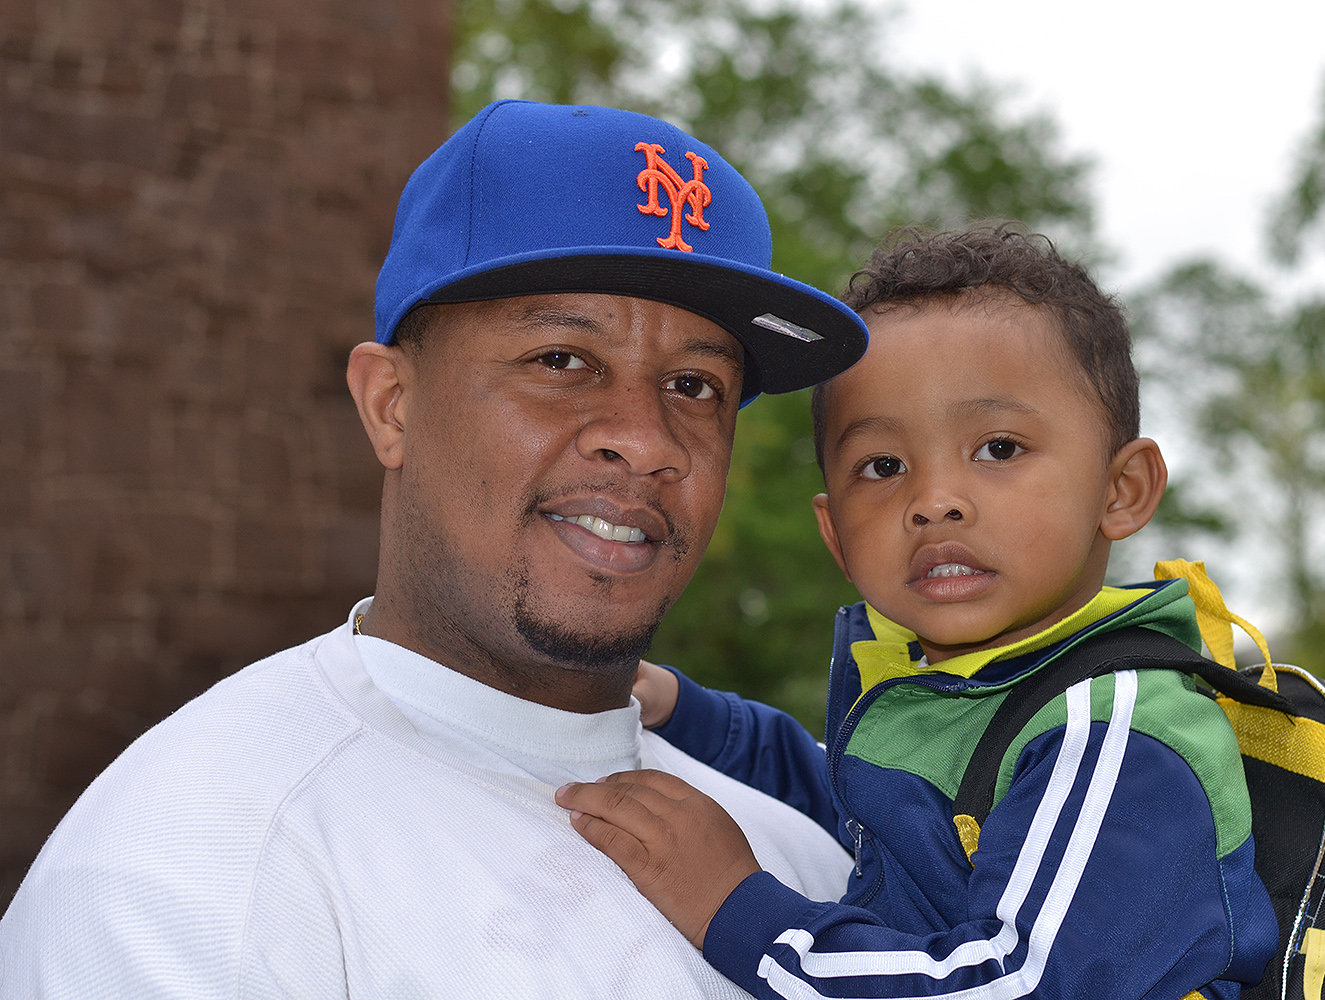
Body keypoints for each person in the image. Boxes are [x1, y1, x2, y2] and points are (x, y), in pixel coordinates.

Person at [0, 100, 869, 998]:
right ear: (392, 406)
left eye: (694, 385)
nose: (644, 439)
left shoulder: (799, 880)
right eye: (561, 361)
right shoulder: (204, 867)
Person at [558, 225, 1280, 1000]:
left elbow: (1014, 986)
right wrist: (690, 715)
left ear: (1121, 490)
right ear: (835, 532)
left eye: (999, 448)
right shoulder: (960, 686)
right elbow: (881, 817)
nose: (934, 502)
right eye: (883, 466)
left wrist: (738, 909)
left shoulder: (1113, 730)